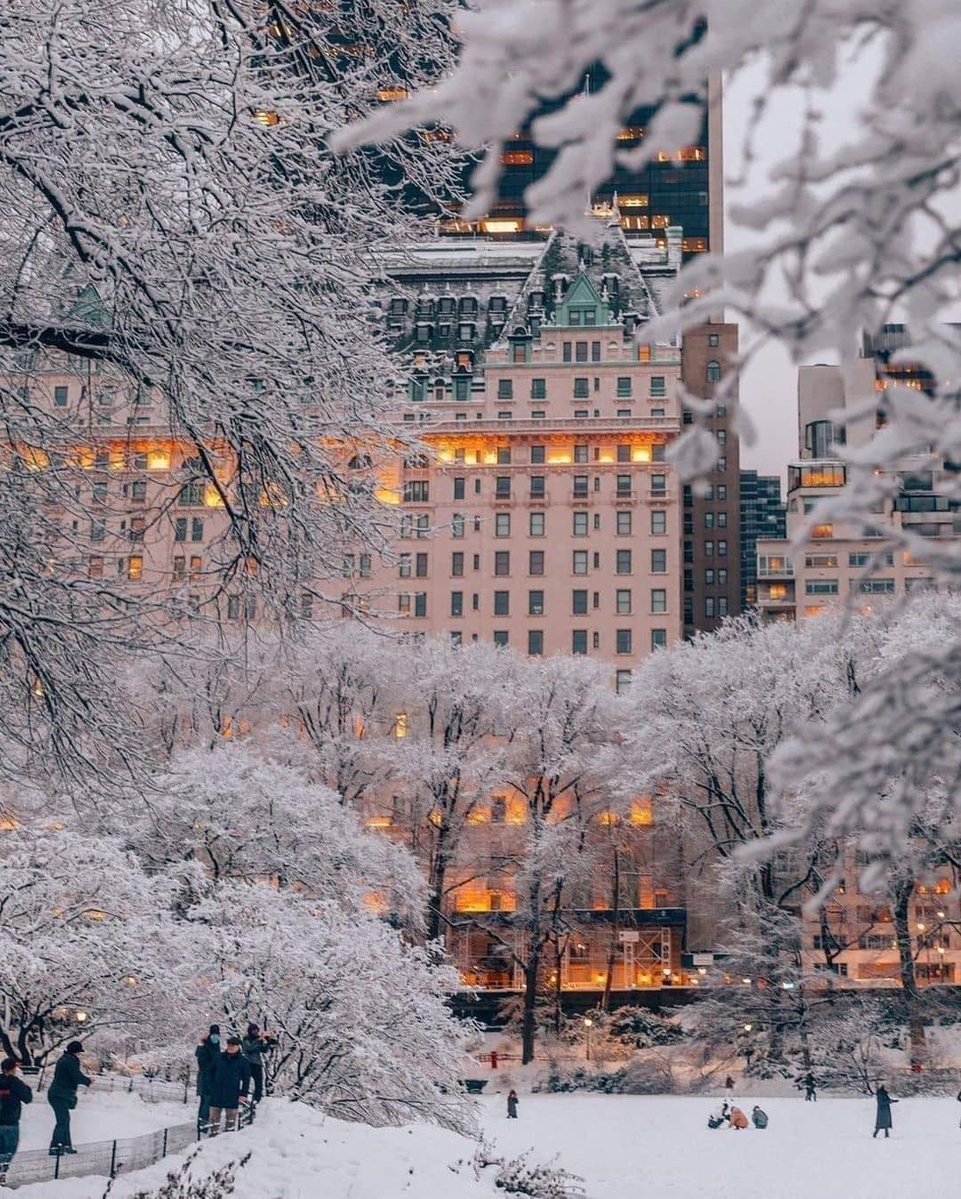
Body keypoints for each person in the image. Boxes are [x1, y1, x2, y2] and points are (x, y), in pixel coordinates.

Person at [47, 1042, 91, 1155]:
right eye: (79, 1052)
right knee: (62, 1121)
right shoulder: (70, 1061)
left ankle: (66, 1145)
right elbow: (76, 1076)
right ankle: (55, 1147)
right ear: (75, 1052)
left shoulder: (66, 1059)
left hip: (58, 1094)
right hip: (59, 1095)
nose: (79, 1054)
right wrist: (88, 1081)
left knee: (64, 1120)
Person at [208, 1037, 251, 1134]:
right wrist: (210, 1087)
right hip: (217, 1092)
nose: (231, 1047)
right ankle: (213, 1135)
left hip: (233, 1093)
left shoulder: (243, 1061)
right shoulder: (218, 1057)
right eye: (229, 1045)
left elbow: (246, 1079)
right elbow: (210, 1072)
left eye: (233, 1045)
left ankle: (228, 1136)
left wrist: (243, 1094)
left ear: (238, 1047)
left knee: (231, 1119)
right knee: (214, 1118)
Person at [0, 1058, 32, 1183]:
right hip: (10, 1123)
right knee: (8, 1150)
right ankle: (1, 1174)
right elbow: (27, 1099)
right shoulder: (16, 1083)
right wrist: (27, 1088)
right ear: (13, 1069)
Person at [241, 1024, 276, 1105]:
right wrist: (258, 1041)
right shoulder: (246, 1039)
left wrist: (268, 1042)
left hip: (257, 1063)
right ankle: (243, 1097)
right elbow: (249, 1049)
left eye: (257, 1030)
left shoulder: (258, 1040)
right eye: (254, 1030)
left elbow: (263, 1050)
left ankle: (258, 1099)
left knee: (259, 1082)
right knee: (246, 1082)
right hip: (247, 1063)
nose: (256, 1032)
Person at [195, 1025, 221, 1126]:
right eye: (214, 1034)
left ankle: (204, 1123)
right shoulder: (204, 1049)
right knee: (206, 1101)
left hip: (212, 1078)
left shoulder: (216, 1047)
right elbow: (204, 1065)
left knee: (208, 1102)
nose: (216, 1037)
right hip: (205, 1078)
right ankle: (203, 1124)